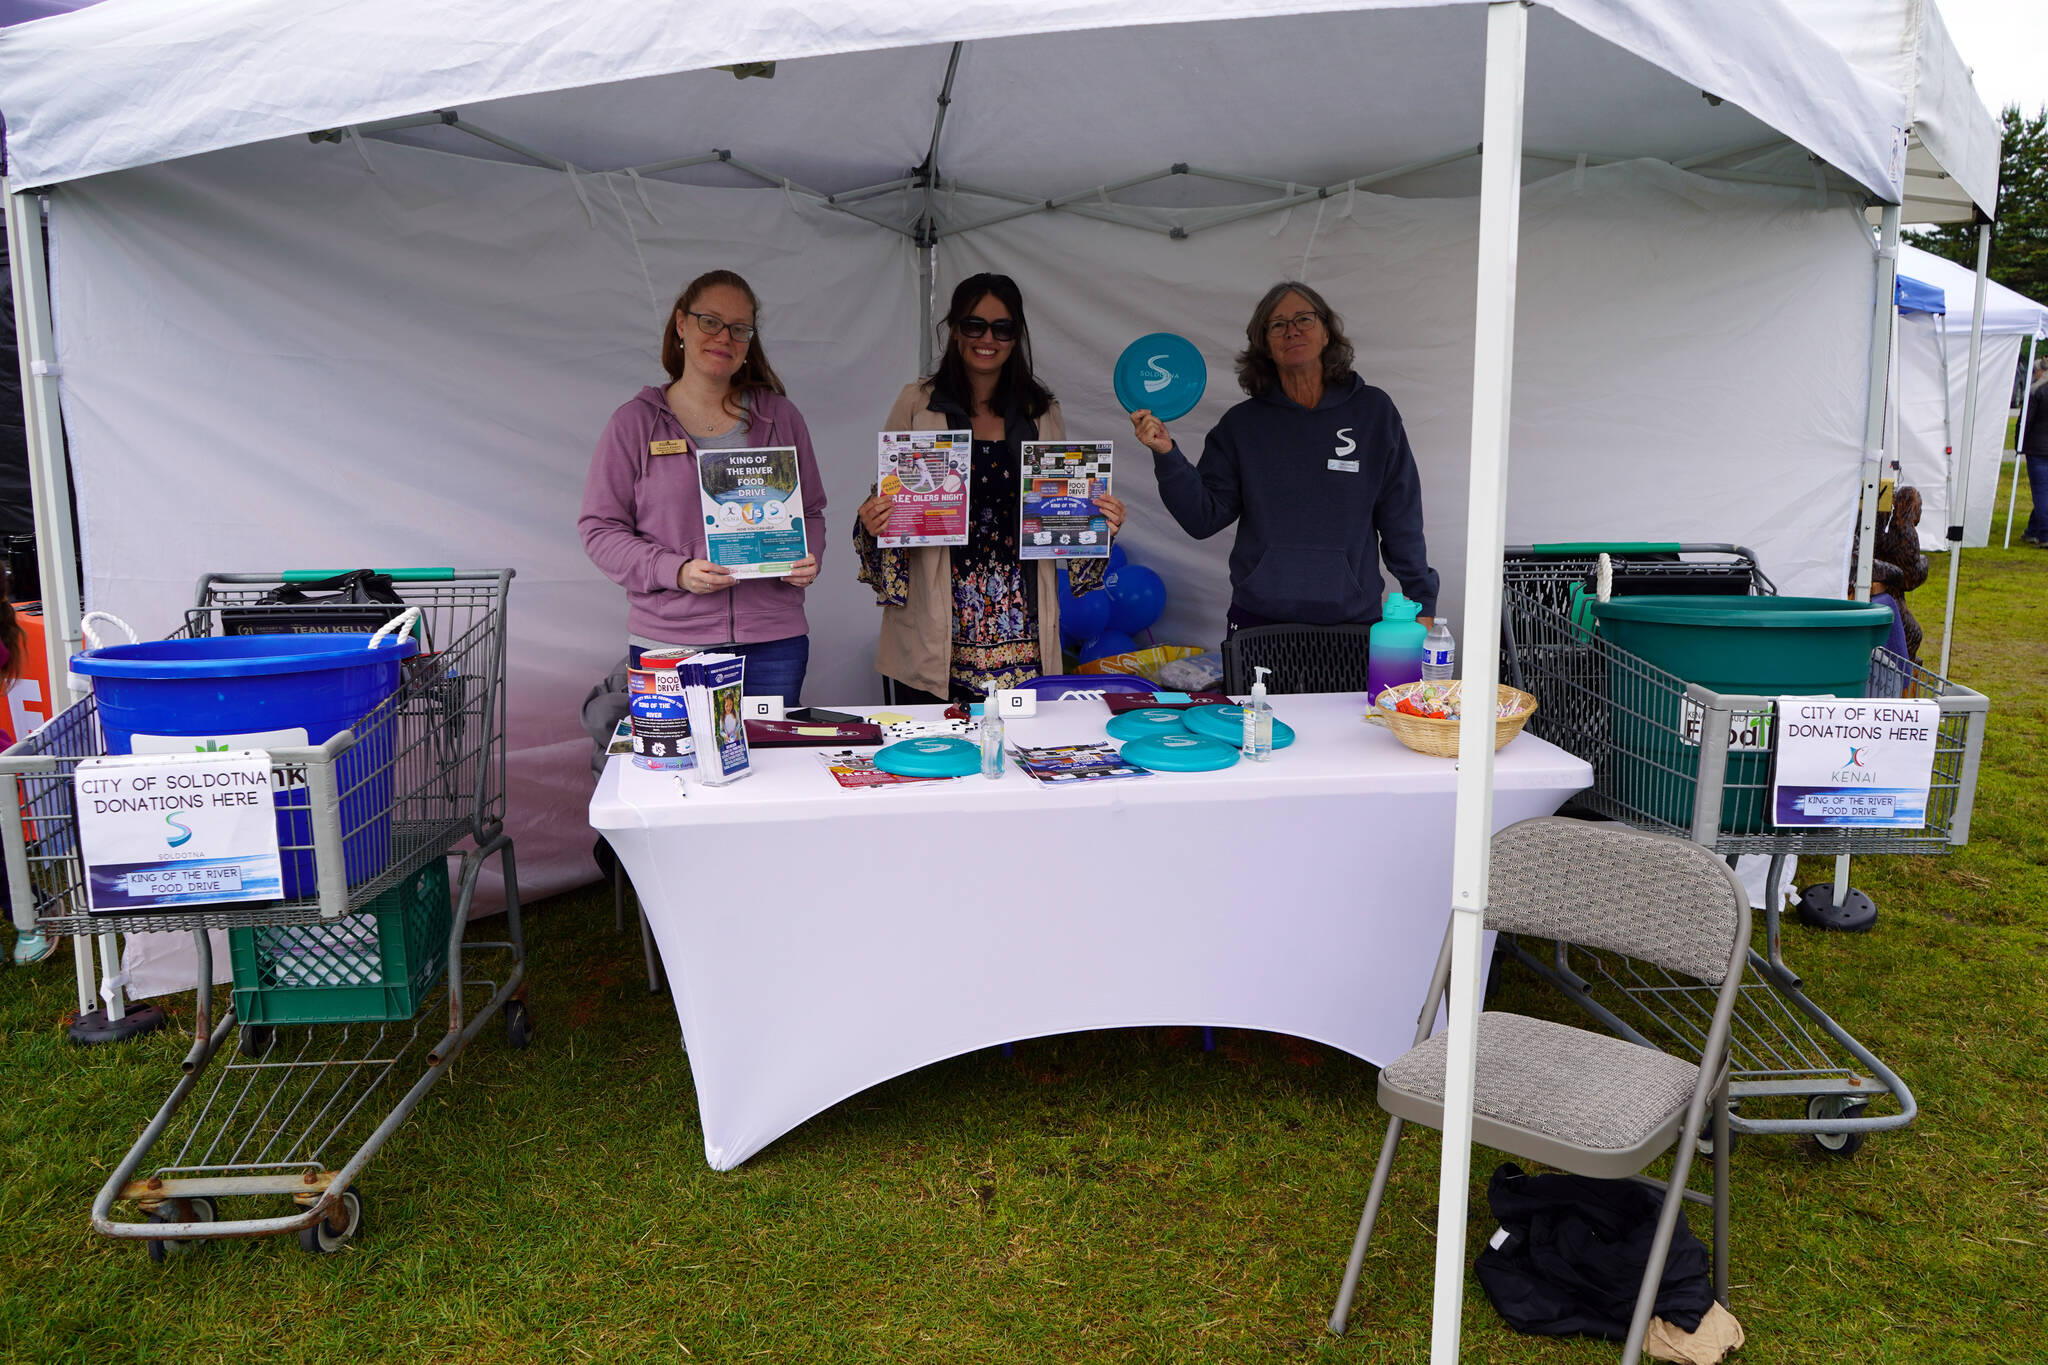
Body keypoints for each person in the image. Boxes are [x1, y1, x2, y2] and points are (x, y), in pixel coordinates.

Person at [854, 273, 1126, 703]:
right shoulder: (917, 403)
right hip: (938, 613)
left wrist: (1099, 523)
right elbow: (890, 506)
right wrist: (873, 519)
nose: (988, 338)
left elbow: (1062, 518)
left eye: (1003, 328)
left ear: (1017, 336)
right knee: (938, 757)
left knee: (1020, 753)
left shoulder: (1042, 412)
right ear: (955, 329)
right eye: (974, 325)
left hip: (1023, 619)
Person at [1130, 280, 1437, 641]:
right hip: (1258, 623)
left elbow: (1401, 515)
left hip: (1352, 622)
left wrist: (1422, 600)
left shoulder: (1373, 412)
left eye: (1303, 319)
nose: (1292, 330)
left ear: (1326, 333)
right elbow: (1203, 517)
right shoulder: (1241, 425)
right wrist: (1167, 453)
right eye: (1277, 325)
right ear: (1265, 346)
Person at [580, 269, 825, 704]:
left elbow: (810, 511)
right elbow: (600, 529)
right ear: (680, 324)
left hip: (774, 643)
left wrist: (808, 557)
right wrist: (674, 571)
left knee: (772, 768)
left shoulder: (780, 417)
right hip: (670, 644)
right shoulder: (635, 423)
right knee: (673, 769)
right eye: (709, 321)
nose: (723, 337)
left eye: (739, 329)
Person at [2022, 355, 2048, 548]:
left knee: (2040, 493)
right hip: (2040, 447)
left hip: (2038, 449)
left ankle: (2045, 534)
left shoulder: (2036, 391)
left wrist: (2020, 443)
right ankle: (2033, 529)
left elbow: (2026, 422)